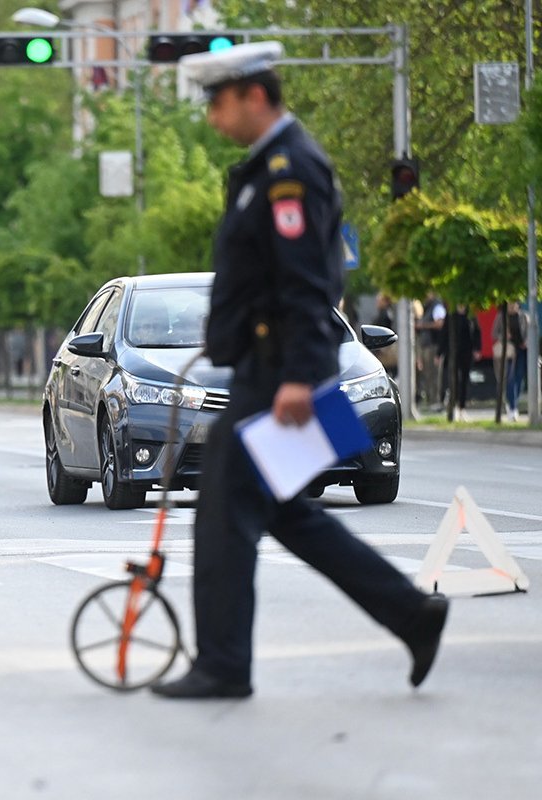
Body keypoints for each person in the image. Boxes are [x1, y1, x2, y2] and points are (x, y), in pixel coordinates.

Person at [151, 42, 448, 700]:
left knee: (224, 515)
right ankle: (411, 612)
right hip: (263, 369)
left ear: (255, 96)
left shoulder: (291, 171)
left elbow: (307, 281)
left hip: (275, 376)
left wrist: (299, 377)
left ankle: (224, 665)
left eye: (219, 102)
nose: (212, 117)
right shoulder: (267, 167)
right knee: (286, 514)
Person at [438, 303, 481, 422]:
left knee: (464, 380)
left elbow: (477, 331)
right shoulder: (451, 316)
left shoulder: (471, 315)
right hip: (452, 353)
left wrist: (477, 348)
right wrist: (439, 353)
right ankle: (453, 406)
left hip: (466, 352)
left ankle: (462, 407)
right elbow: (444, 334)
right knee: (454, 380)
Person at [493, 301, 530, 421]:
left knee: (519, 379)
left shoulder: (524, 316)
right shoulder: (501, 317)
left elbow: (531, 332)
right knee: (510, 378)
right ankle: (513, 408)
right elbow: (494, 333)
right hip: (508, 352)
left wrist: (527, 341)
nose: (512, 307)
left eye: (514, 304)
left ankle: (513, 403)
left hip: (521, 351)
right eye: (509, 305)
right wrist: (504, 337)